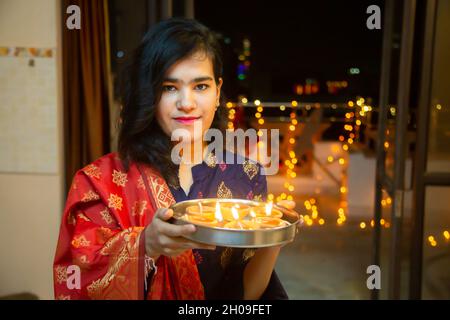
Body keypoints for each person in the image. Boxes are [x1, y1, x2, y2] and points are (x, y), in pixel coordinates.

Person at [53, 18, 293, 300]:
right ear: (150, 95)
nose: (187, 102)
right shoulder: (102, 182)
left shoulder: (245, 174)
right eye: (169, 87)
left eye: (201, 86)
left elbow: (246, 294)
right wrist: (147, 245)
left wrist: (277, 236)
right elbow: (78, 277)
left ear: (218, 91)